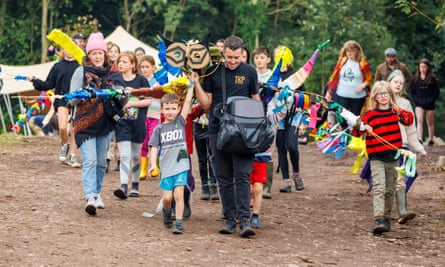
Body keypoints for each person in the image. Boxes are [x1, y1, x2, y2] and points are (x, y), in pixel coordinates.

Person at [193, 36, 258, 238]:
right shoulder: (214, 72)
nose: (232, 61)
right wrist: (196, 83)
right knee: (223, 177)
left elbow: (255, 100)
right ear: (223, 53)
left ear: (242, 53)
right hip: (217, 129)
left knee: (242, 175)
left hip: (244, 132)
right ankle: (230, 219)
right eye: (229, 57)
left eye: (236, 57)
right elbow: (206, 104)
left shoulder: (250, 72)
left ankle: (245, 220)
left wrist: (259, 130)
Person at [69, 32, 125, 215]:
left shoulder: (114, 73)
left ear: (105, 54)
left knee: (101, 163)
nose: (98, 56)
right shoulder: (81, 71)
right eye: (94, 53)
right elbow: (71, 100)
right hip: (85, 124)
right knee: (90, 160)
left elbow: (123, 99)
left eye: (100, 53)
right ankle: (90, 196)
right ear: (88, 55)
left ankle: (97, 192)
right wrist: (83, 93)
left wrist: (119, 93)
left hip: (105, 123)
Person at [359, 81, 413, 235]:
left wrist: (398, 111)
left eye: (386, 93)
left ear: (390, 95)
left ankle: (386, 217)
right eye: (380, 94)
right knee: (379, 187)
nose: (383, 96)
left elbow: (409, 119)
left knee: (390, 189)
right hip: (376, 157)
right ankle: (378, 219)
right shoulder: (370, 115)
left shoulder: (395, 112)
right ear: (375, 97)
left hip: (393, 156)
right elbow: (358, 127)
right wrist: (364, 126)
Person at [148, 83, 195, 235]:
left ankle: (179, 223)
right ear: (162, 110)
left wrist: (191, 86)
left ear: (178, 109)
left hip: (181, 166)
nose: (170, 111)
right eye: (167, 108)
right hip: (166, 168)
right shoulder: (159, 129)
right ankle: (167, 212)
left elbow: (188, 103)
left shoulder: (180, 122)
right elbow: (154, 147)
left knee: (178, 194)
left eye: (173, 108)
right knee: (167, 199)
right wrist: (153, 165)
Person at [28, 48, 81, 167]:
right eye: (65, 48)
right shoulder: (57, 66)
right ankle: (65, 144)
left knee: (73, 129)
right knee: (62, 127)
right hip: (61, 100)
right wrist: (35, 80)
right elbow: (48, 84)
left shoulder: (80, 66)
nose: (69, 51)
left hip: (77, 100)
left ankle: (73, 156)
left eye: (70, 47)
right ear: (62, 50)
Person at [387, 69, 426, 224]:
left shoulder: (406, 104)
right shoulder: (381, 100)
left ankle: (403, 211)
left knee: (399, 178)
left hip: (401, 146)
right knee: (385, 181)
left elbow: (411, 130)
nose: (398, 85)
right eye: (395, 81)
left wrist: (419, 148)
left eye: (401, 83)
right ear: (389, 82)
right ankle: (383, 213)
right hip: (383, 145)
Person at [113, 51, 151, 199]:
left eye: (124, 61)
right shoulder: (115, 81)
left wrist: (131, 103)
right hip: (122, 124)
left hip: (138, 123)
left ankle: (135, 185)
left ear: (133, 64)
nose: (121, 64)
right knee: (125, 155)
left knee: (135, 156)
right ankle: (123, 186)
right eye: (119, 61)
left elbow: (148, 100)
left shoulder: (141, 81)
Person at [269, 45, 304, 193]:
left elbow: (303, 93)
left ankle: (296, 174)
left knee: (291, 145)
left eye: (282, 55)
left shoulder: (295, 75)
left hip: (294, 114)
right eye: (277, 55)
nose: (280, 57)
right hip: (280, 115)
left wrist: (299, 105)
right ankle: (286, 180)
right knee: (280, 145)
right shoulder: (274, 75)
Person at [326, 40, 372, 116]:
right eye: (347, 51)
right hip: (342, 94)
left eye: (352, 51)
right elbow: (334, 77)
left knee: (354, 118)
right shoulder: (342, 61)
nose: (350, 53)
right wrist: (329, 91)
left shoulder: (363, 63)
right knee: (342, 116)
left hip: (357, 97)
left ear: (357, 51)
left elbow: (368, 79)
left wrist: (362, 86)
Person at [138, 55, 160, 180]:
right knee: (143, 141)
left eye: (147, 67)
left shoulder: (157, 83)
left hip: (155, 115)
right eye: (142, 67)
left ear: (153, 67)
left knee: (153, 140)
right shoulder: (139, 81)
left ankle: (154, 165)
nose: (145, 69)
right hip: (142, 115)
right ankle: (143, 168)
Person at [410, 58, 440, 146]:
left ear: (428, 68)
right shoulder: (415, 79)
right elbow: (413, 92)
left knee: (430, 122)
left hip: (430, 103)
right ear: (419, 68)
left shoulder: (432, 79)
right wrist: (417, 101)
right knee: (419, 120)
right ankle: (419, 139)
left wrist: (431, 100)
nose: (422, 69)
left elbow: (436, 92)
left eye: (424, 67)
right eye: (421, 67)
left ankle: (431, 139)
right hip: (419, 103)